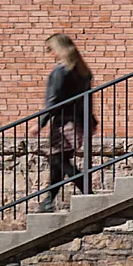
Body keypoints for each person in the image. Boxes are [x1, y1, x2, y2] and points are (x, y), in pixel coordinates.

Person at [32, 33, 94, 212]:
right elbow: (87, 100)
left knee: (59, 160)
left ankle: (88, 191)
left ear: (59, 49)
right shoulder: (82, 71)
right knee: (57, 161)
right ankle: (48, 201)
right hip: (76, 122)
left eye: (50, 49)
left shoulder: (60, 71)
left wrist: (40, 123)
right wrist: (90, 121)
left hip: (63, 123)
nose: (50, 54)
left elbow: (52, 101)